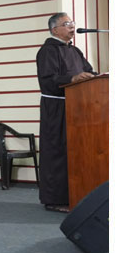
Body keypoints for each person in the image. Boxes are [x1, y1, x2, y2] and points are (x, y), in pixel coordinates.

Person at [36, 13, 96, 213]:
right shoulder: (47, 51)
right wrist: (73, 78)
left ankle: (75, 194)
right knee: (57, 152)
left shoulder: (75, 51)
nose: (72, 27)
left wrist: (95, 77)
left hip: (77, 107)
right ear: (54, 30)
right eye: (67, 24)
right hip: (57, 108)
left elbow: (89, 71)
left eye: (72, 23)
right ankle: (54, 199)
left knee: (74, 152)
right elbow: (47, 80)